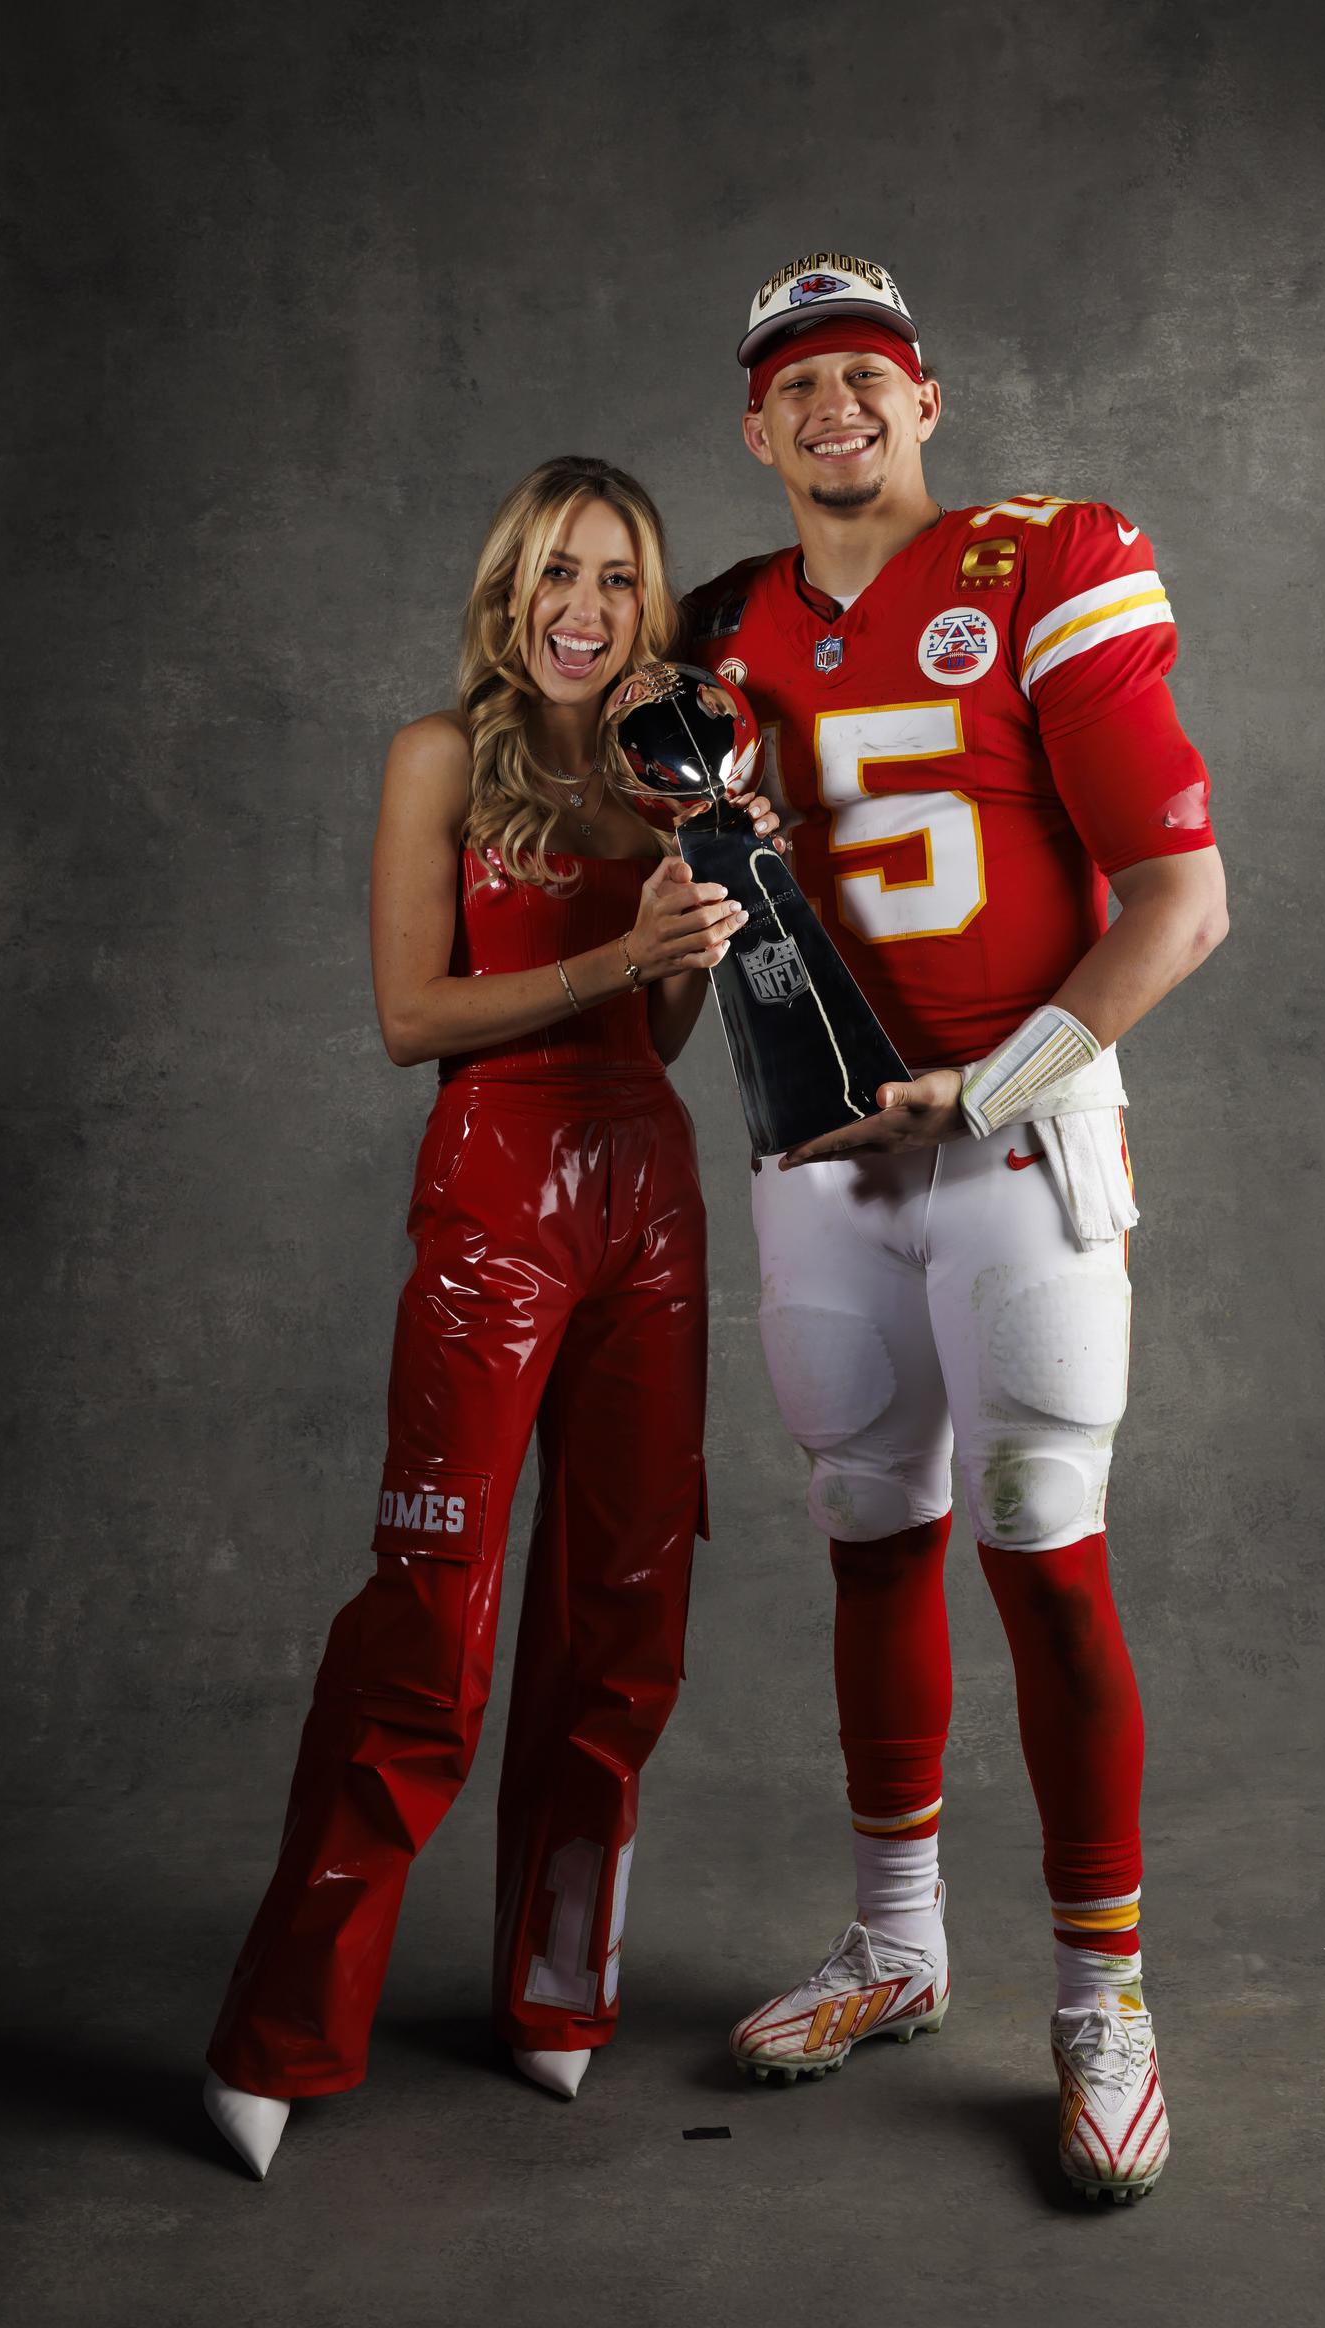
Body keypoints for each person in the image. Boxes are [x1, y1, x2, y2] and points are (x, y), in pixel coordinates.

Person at [685, 257, 1229, 2201]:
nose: (831, 407)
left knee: (1046, 1563)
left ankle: (1104, 2001)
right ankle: (897, 1948)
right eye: (792, 385)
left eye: (864, 375)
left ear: (929, 401)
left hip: (1014, 1144)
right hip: (824, 1154)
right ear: (755, 430)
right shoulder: (714, 630)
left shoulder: (1039, 562)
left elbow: (1181, 897)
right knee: (866, 1544)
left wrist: (983, 1086)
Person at [204, 456, 773, 2177]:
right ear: (508, 595)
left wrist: (690, 920)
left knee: (624, 1619)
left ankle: (554, 1994)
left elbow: (659, 1041)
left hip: (646, 1202)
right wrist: (615, 958)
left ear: (649, 601)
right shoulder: (439, 757)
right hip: (493, 1200)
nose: (585, 609)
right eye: (554, 577)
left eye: (615, 578)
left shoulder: (667, 767)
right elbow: (408, 1017)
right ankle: (282, 2029)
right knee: (430, 1628)